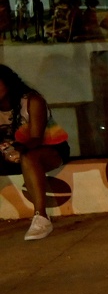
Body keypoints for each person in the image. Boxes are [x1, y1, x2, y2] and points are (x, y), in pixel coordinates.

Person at [0, 65, 70, 240]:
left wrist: (16, 149)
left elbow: (36, 139)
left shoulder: (32, 101)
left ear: (8, 83)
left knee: (29, 157)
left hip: (46, 150)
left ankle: (41, 217)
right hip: (11, 153)